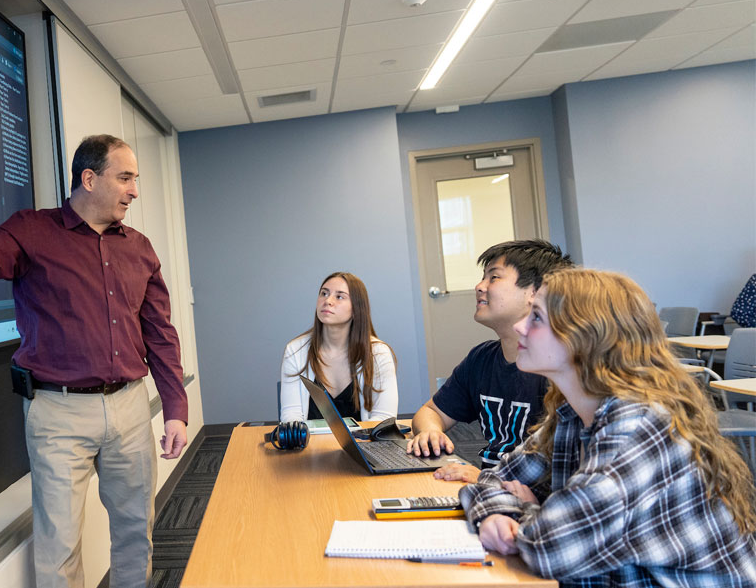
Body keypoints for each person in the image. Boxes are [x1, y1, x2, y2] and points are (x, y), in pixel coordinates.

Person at [0, 117, 188, 588]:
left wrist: (174, 408)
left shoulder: (139, 248)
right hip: (58, 413)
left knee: (136, 531)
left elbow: (160, 333)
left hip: (130, 407)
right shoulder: (32, 232)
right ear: (89, 179)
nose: (135, 191)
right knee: (59, 547)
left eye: (136, 179)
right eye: (126, 177)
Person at [461, 268, 756, 586]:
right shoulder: (570, 413)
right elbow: (492, 478)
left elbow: (551, 549)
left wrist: (531, 508)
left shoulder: (638, 426)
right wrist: (498, 513)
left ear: (584, 337)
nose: (519, 326)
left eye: (536, 318)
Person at [406, 240, 573, 482]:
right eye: (482, 277)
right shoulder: (482, 358)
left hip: (518, 495)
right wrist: (431, 431)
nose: (480, 286)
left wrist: (487, 479)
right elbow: (430, 411)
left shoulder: (557, 370)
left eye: (494, 278)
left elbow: (557, 470)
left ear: (535, 293)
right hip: (488, 488)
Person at [279, 272, 398, 423]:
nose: (327, 301)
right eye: (324, 293)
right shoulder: (295, 350)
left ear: (356, 309)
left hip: (363, 445)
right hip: (311, 445)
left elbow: (384, 419)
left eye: (339, 296)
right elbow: (291, 417)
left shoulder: (378, 353)